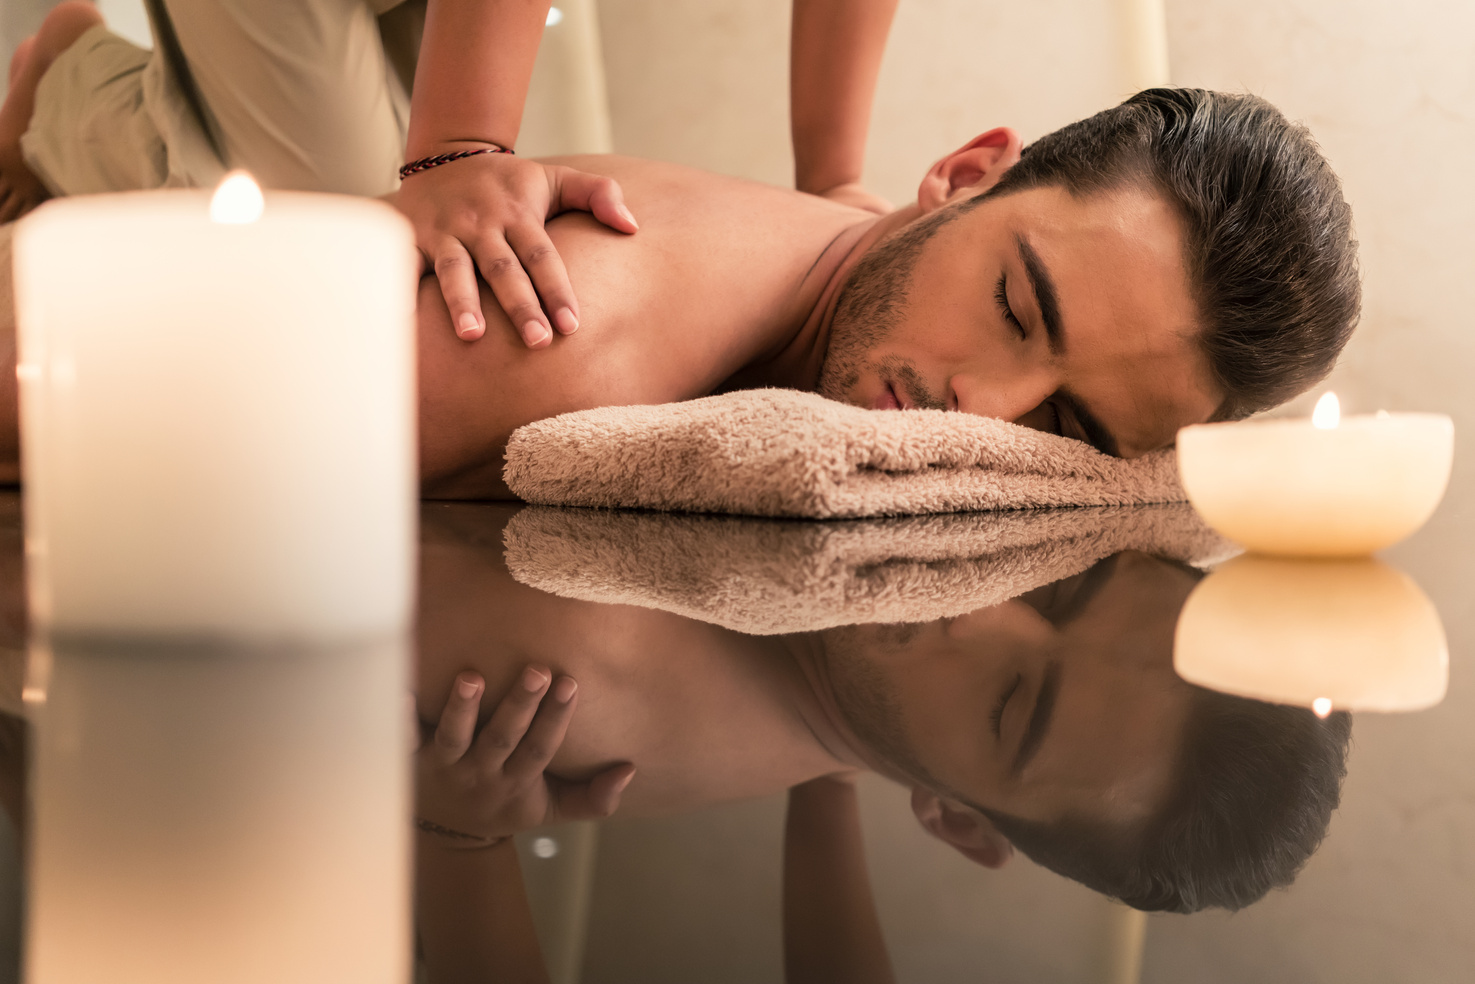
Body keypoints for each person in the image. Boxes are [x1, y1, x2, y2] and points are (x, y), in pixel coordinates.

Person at [0, 8, 1361, 497]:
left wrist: (838, 175)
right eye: (1014, 308)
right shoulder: (574, 330)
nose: (981, 418)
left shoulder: (858, 275)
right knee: (332, 200)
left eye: (1065, 420)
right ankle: (71, 78)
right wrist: (455, 151)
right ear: (959, 173)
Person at [416, 504, 1352, 914]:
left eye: (1011, 706)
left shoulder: (594, 705)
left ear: (954, 816)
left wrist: (463, 839)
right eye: (1063, 584)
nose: (980, 608)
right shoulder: (859, 492)